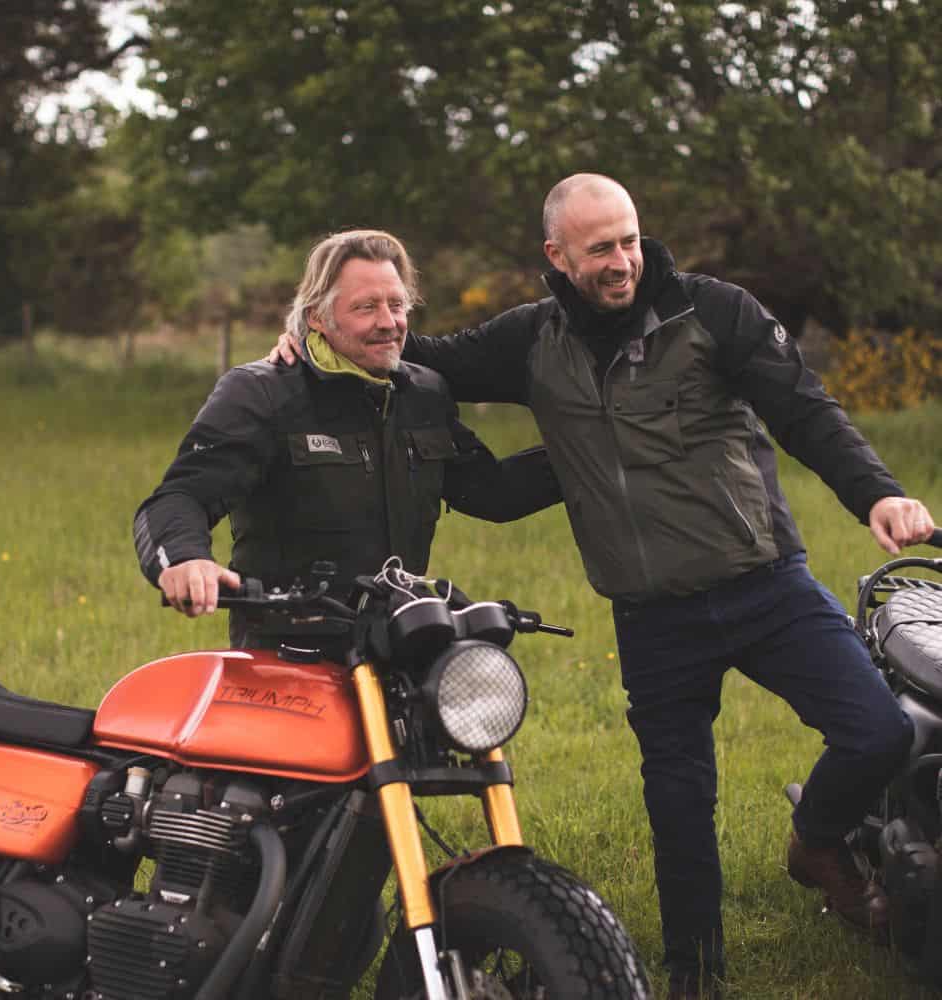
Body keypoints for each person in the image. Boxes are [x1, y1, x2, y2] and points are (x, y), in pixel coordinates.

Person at [269, 176, 937, 998]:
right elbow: (411, 353)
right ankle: (696, 974)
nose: (622, 262)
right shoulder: (531, 340)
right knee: (679, 799)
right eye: (599, 250)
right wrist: (308, 342)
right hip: (654, 616)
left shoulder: (713, 312)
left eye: (628, 241)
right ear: (556, 256)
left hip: (766, 584)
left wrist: (878, 492)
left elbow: (806, 412)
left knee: (876, 729)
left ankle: (818, 836)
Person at [134, 228, 560, 650]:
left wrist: (594, 454)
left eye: (397, 304)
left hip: (398, 644)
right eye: (366, 307)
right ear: (318, 316)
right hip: (288, 653)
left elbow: (494, 493)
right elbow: (181, 495)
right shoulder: (263, 392)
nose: (389, 322)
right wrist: (184, 557)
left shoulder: (424, 393)